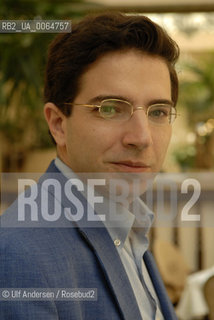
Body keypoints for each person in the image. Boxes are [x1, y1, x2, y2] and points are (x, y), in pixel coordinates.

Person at [0, 12, 179, 319]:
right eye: (110, 108)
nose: (142, 137)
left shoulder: (129, 225)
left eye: (158, 112)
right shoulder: (19, 254)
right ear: (58, 124)